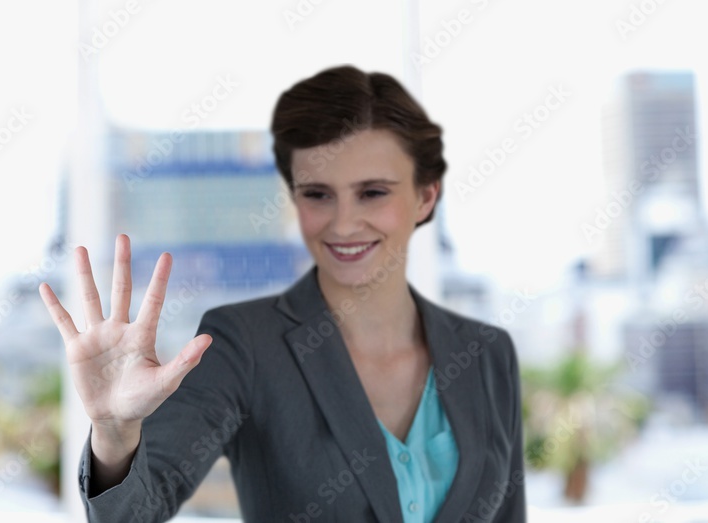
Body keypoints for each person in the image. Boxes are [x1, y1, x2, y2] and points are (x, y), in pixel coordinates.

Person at [39, 64, 526, 523]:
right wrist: (115, 430)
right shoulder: (243, 343)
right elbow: (135, 512)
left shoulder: (486, 353)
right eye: (318, 193)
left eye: (373, 192)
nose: (344, 223)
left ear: (426, 196)